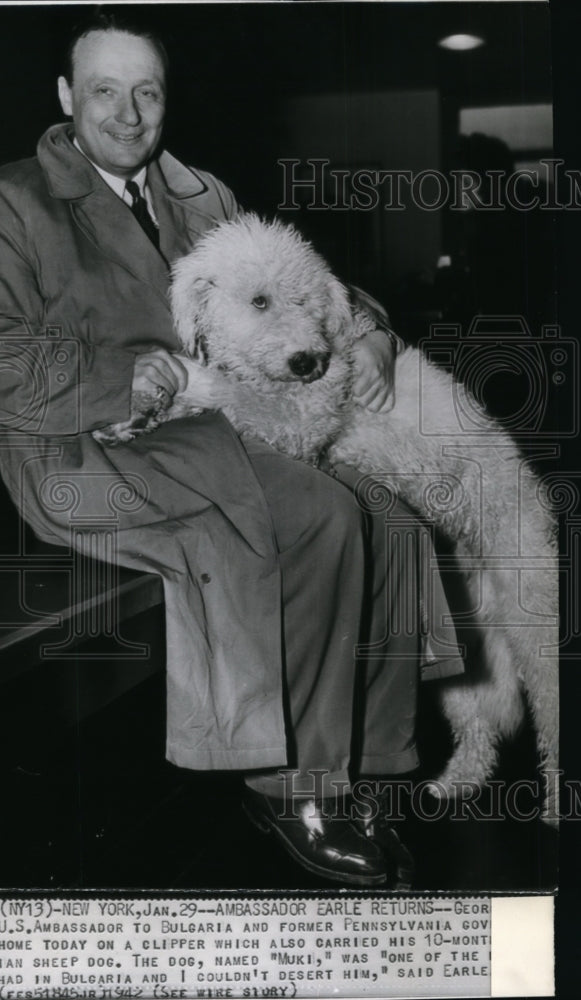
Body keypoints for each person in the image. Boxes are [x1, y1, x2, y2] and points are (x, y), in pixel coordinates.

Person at [0, 13, 463, 887]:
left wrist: (364, 334)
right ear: (66, 97)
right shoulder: (14, 202)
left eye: (148, 91)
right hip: (85, 452)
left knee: (391, 518)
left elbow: (295, 282)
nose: (129, 113)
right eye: (105, 90)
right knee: (323, 514)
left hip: (212, 426)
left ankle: (361, 762)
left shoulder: (200, 193)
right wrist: (119, 379)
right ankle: (294, 787)